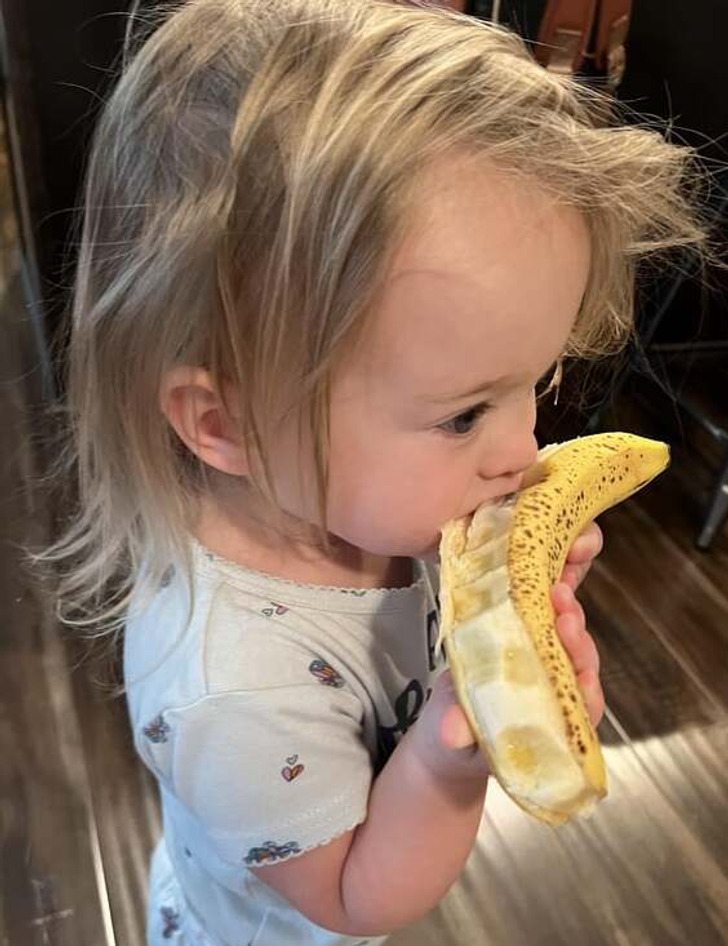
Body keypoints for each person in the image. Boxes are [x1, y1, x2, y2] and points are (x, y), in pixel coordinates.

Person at [38, 1, 706, 943]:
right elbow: (355, 899)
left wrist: (511, 613)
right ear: (228, 425)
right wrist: (451, 759)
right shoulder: (235, 696)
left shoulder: (356, 497)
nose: (522, 451)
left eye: (537, 382)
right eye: (463, 414)